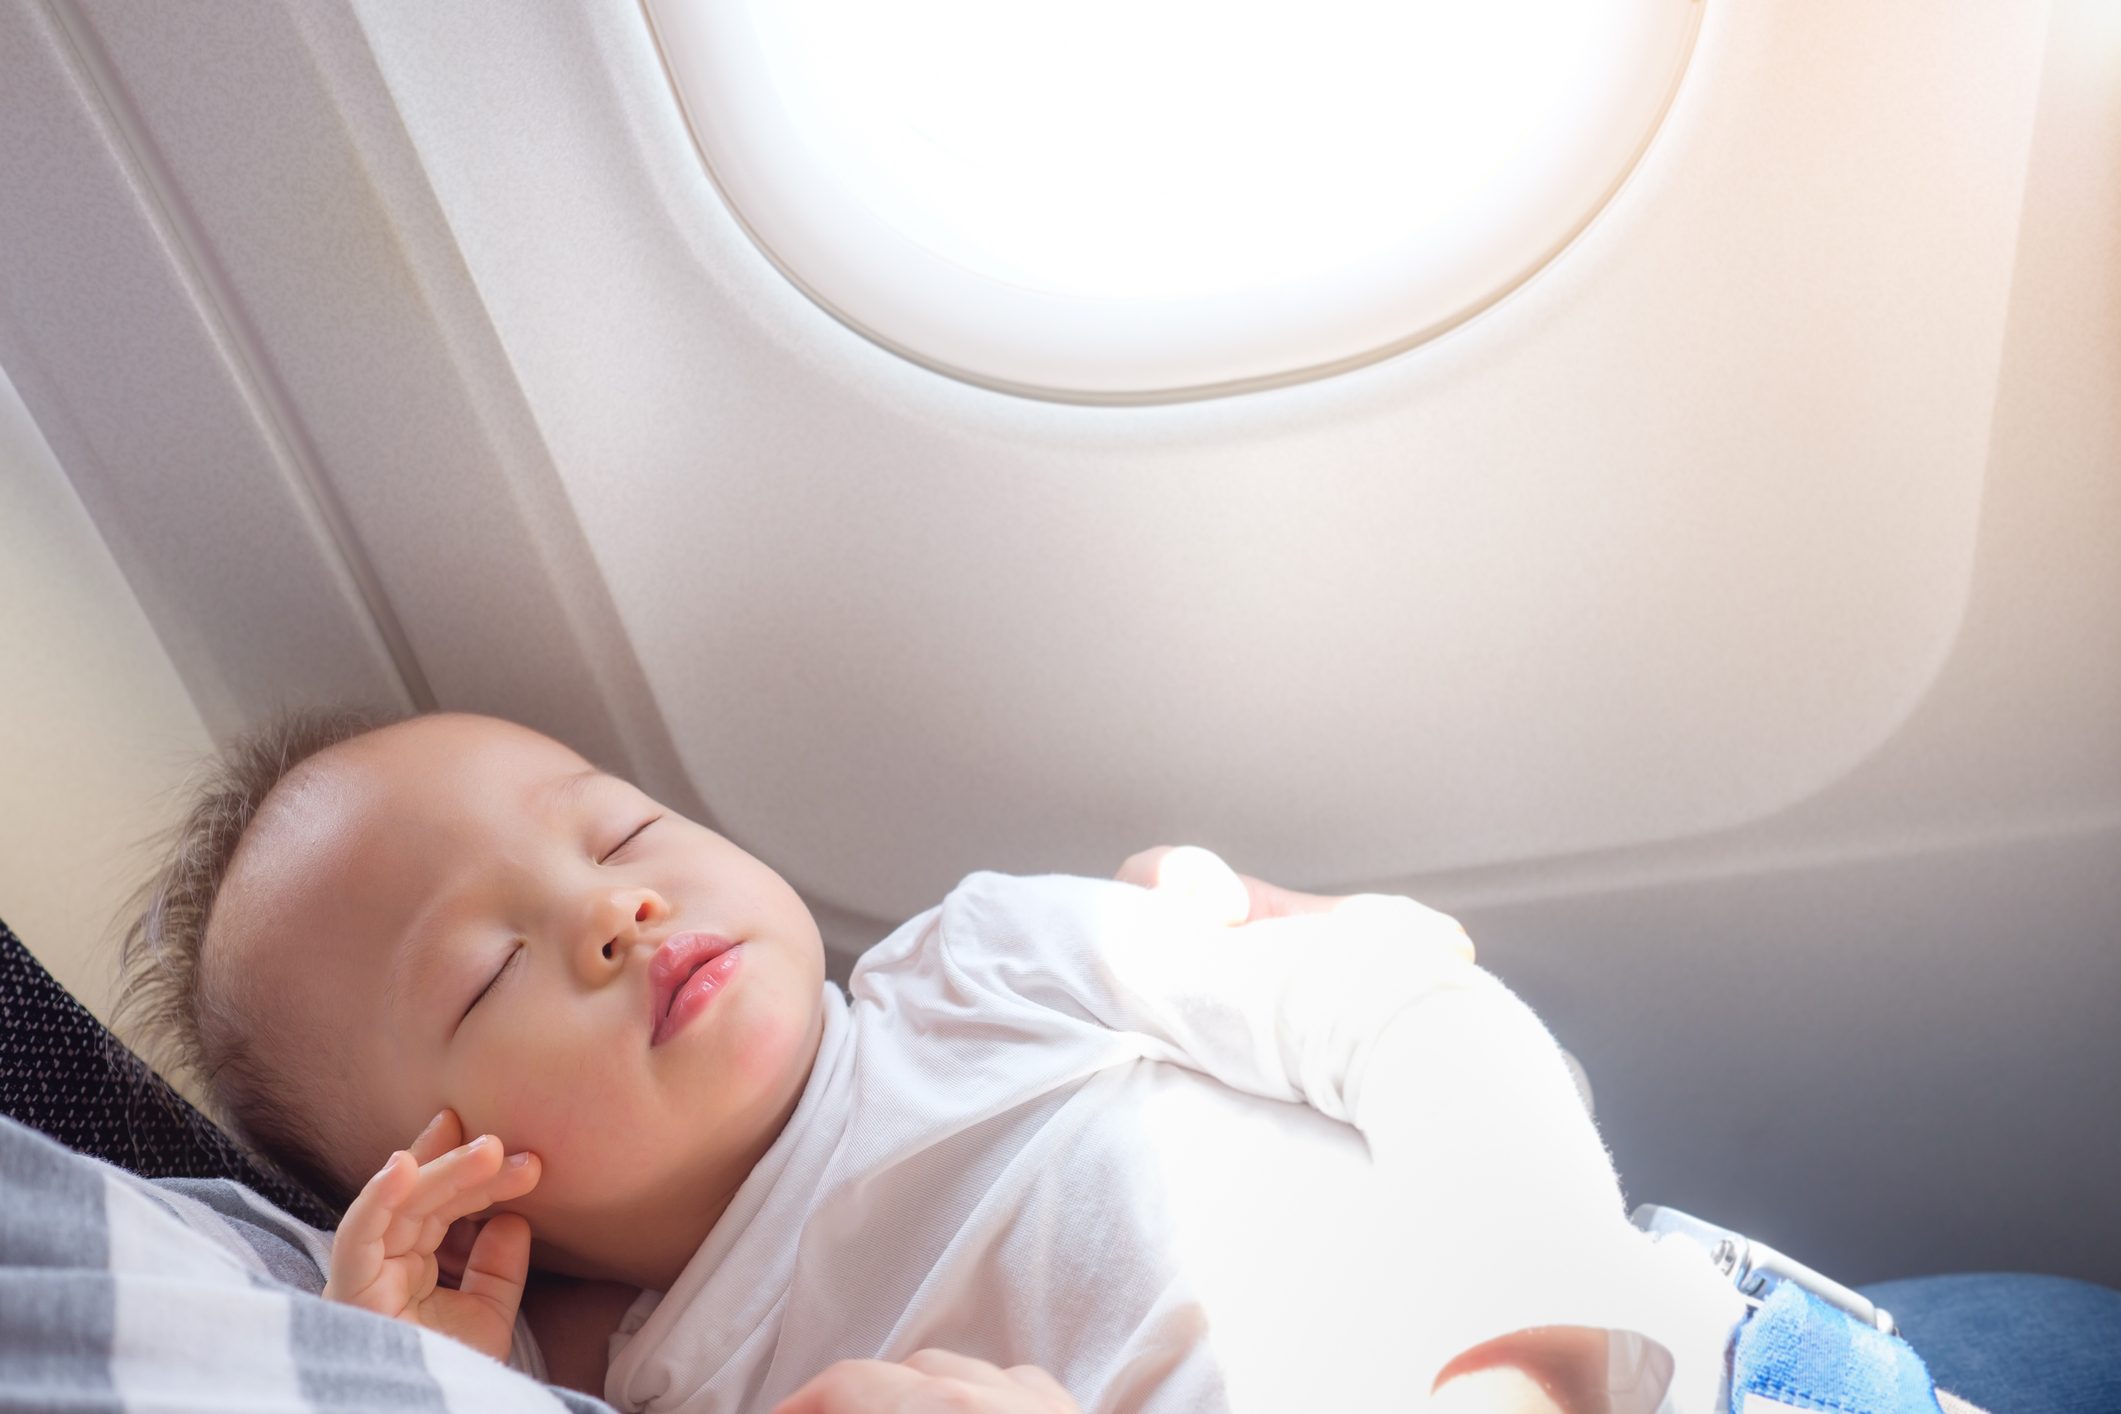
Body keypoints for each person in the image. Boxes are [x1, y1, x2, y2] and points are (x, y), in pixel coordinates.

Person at [115, 707, 1760, 1413]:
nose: (610, 907)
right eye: (485, 974)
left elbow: (1400, 1002)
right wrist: (442, 1374)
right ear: (453, 1179)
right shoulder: (641, 1385)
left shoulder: (983, 962)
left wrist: (1520, 1346)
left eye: (615, 825)